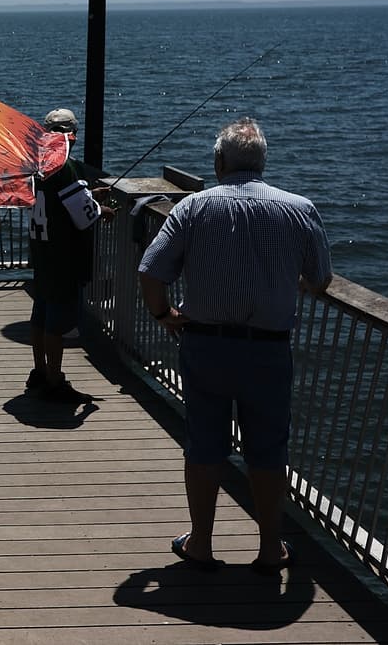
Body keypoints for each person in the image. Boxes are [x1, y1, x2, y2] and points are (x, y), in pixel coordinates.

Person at [138, 117, 331, 574]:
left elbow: (151, 270)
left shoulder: (193, 208)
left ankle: (201, 543)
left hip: (205, 345)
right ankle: (269, 549)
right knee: (267, 450)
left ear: (219, 161)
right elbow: (320, 279)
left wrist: (164, 315)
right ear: (262, 162)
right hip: (268, 349)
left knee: (205, 445)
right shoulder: (299, 208)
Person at [27, 108, 113, 403]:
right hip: (63, 257)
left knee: (40, 316)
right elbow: (83, 216)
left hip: (41, 253)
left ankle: (39, 371)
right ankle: (54, 380)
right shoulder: (66, 167)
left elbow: (64, 201)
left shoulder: (38, 166)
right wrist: (103, 210)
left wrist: (90, 195)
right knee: (56, 324)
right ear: (72, 135)